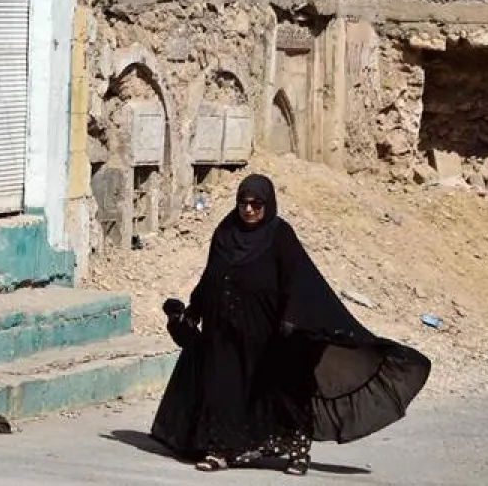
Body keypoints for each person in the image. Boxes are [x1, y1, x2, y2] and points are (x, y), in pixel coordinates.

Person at [150, 174, 430, 475]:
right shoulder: (225, 232)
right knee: (223, 387)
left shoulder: (280, 235)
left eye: (256, 203)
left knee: (282, 389)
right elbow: (211, 275)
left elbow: (298, 280)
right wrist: (196, 310)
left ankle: (297, 453)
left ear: (268, 204)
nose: (248, 209)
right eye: (243, 203)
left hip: (267, 330)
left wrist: (292, 319)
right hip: (225, 328)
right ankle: (221, 450)